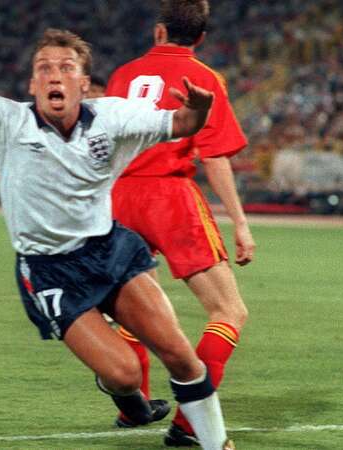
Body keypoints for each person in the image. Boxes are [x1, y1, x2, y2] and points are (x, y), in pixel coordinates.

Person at [0, 1, 234, 448]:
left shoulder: (114, 116)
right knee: (124, 373)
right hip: (50, 270)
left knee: (182, 356)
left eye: (66, 67)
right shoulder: (7, 120)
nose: (53, 74)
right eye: (43, 67)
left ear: (84, 84)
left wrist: (199, 111)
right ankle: (126, 398)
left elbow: (182, 123)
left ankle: (216, 443)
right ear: (32, 83)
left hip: (110, 250)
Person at [105, 1, 253, 445]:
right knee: (229, 311)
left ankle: (134, 405)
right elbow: (214, 155)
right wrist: (240, 223)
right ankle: (190, 426)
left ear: (158, 33)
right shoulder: (205, 78)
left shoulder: (124, 75)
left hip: (117, 196)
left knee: (136, 305)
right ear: (201, 38)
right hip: (169, 195)